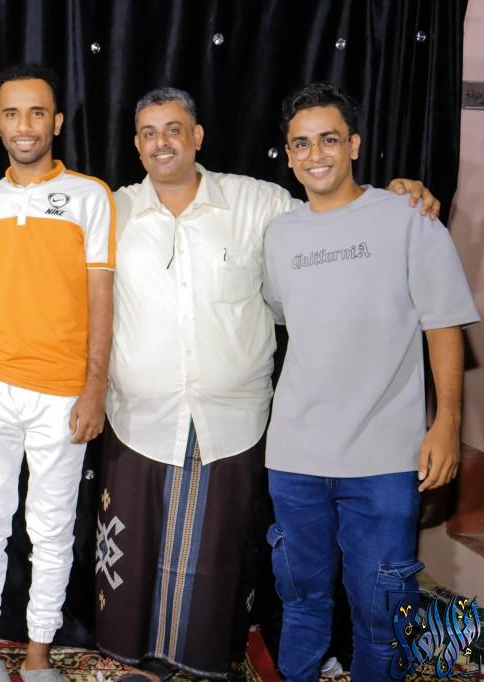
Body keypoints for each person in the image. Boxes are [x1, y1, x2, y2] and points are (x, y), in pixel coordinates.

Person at [94, 86, 441, 680]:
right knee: (137, 547)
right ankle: (142, 662)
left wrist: (400, 193)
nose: (162, 142)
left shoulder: (258, 203)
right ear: (136, 144)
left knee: (217, 555)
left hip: (234, 419)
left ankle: (202, 662)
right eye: (149, 133)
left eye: (174, 129)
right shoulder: (111, 209)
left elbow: (333, 209)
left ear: (197, 136)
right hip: (139, 418)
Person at [262, 82, 479, 681]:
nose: (316, 155)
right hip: (295, 458)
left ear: (354, 144)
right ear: (288, 153)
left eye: (329, 139)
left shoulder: (408, 217)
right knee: (301, 603)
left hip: (384, 460)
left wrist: (447, 423)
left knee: (383, 617)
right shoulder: (279, 234)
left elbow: (443, 325)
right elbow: (285, 318)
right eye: (301, 143)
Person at [0, 63, 114, 682]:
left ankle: (38, 653)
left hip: (63, 394)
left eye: (36, 112)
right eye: (11, 113)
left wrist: (95, 387)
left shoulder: (90, 195)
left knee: (51, 530)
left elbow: (102, 298)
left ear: (56, 122)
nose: (24, 125)